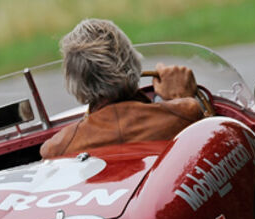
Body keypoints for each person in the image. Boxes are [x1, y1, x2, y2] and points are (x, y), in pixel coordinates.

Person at [40, 19, 209, 159]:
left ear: (74, 82)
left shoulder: (56, 149)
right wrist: (180, 98)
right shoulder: (187, 113)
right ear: (132, 62)